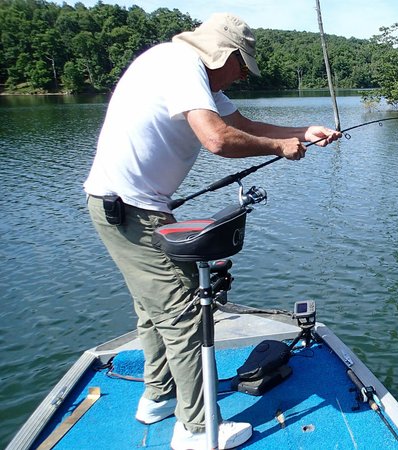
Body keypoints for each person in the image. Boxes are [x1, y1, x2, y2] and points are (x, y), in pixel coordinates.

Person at [83, 12, 341, 450]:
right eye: (242, 67)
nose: (241, 76)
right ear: (225, 53)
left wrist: (303, 131)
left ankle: (159, 396)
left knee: (153, 311)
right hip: (130, 210)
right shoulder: (181, 64)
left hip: (135, 209)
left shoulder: (186, 71)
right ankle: (197, 430)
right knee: (184, 316)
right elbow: (218, 140)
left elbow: (244, 126)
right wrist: (281, 147)